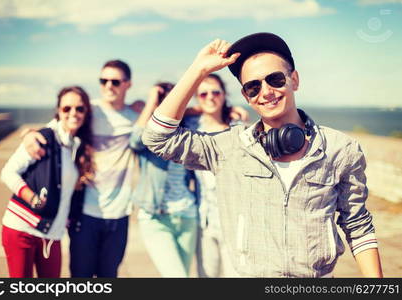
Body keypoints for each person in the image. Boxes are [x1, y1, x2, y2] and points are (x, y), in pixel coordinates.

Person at [142, 33, 383, 277]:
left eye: (275, 79)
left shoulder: (340, 149)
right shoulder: (228, 148)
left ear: (294, 80)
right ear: (246, 96)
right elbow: (156, 138)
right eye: (253, 87)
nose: (266, 92)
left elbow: (358, 225)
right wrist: (198, 69)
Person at [23, 60, 139, 277]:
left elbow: (170, 115)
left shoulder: (135, 118)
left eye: (115, 81)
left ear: (128, 84)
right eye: (103, 81)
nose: (108, 86)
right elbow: (54, 128)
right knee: (80, 276)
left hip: (120, 213)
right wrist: (29, 133)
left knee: (108, 276)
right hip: (85, 212)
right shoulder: (88, 110)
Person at [0, 86, 94, 278]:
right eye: (67, 108)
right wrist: (32, 197)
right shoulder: (43, 138)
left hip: (52, 234)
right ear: (58, 111)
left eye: (80, 108)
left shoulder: (76, 145)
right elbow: (8, 172)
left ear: (86, 112)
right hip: (22, 229)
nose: (73, 113)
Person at [130, 82, 199, 277]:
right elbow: (135, 141)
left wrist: (232, 109)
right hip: (155, 217)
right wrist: (152, 99)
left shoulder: (188, 130)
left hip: (187, 214)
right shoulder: (150, 134)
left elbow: (211, 112)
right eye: (166, 101)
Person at [191, 73, 237, 277]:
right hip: (205, 220)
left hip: (235, 223)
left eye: (216, 92)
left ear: (224, 95)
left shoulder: (238, 130)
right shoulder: (191, 128)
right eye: (203, 94)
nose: (210, 97)